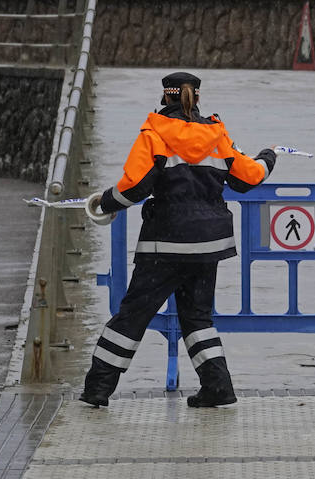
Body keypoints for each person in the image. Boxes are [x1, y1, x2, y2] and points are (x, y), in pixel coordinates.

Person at [79, 72, 276, 408]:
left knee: (133, 315)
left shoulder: (155, 132)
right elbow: (248, 178)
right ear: (196, 99)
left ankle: (97, 388)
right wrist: (268, 157)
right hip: (209, 244)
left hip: (165, 244)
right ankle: (218, 388)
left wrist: (104, 203)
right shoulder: (216, 134)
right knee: (197, 318)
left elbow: (135, 187)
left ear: (165, 98)